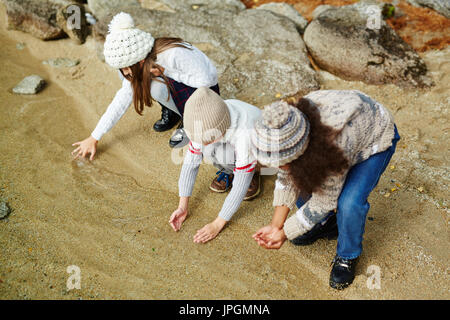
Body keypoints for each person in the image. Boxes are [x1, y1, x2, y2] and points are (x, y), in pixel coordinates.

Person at [251, 90, 400, 290]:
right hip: (340, 138)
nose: (277, 166)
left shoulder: (333, 146)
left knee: (349, 202)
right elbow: (287, 176)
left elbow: (324, 201)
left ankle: (348, 255)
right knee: (301, 177)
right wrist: (275, 225)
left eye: (281, 163)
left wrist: (285, 232)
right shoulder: (287, 128)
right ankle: (324, 224)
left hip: (374, 135)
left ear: (299, 152)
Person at [72, 12, 219, 159]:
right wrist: (94, 137)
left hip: (205, 93)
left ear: (140, 61)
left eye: (125, 67)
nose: (124, 72)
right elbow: (121, 101)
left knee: (156, 87)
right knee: (133, 79)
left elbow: (208, 80)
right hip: (180, 84)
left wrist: (166, 72)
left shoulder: (173, 54)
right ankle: (174, 112)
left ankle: (188, 121)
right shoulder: (143, 60)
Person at [169, 87, 262, 243]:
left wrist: (217, 224)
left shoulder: (244, 132)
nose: (202, 143)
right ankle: (230, 168)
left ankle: (254, 173)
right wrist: (182, 206)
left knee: (223, 156)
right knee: (208, 149)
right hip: (228, 138)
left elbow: (240, 184)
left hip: (263, 152)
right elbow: (191, 162)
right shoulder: (205, 119)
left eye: (208, 139)